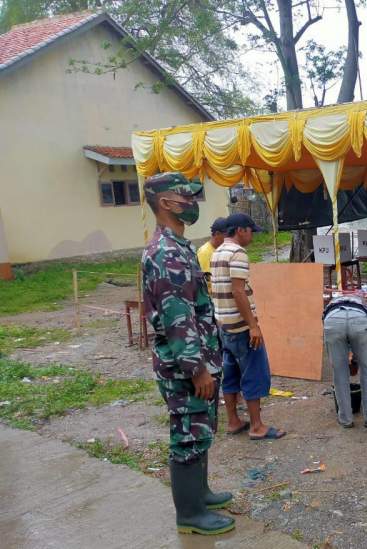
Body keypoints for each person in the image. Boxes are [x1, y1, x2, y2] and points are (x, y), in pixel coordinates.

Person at [140, 172, 235, 536]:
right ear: (165, 203)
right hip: (184, 369)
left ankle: (201, 493)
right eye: (186, 197)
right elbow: (177, 319)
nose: (192, 203)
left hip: (195, 362)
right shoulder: (166, 254)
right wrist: (197, 370)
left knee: (200, 431)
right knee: (187, 435)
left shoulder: (178, 247)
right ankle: (191, 514)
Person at [211, 213, 286, 441]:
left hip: (224, 324)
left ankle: (234, 421)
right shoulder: (238, 253)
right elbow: (238, 291)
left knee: (231, 374)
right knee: (254, 373)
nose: (252, 235)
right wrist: (253, 326)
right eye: (251, 230)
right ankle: (256, 426)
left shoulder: (217, 252)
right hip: (241, 327)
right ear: (241, 230)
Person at [323, 294, 367, 428]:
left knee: (339, 372)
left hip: (332, 321)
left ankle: (345, 420)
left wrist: (349, 355)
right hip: (360, 321)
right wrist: (357, 358)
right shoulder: (364, 305)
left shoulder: (331, 304)